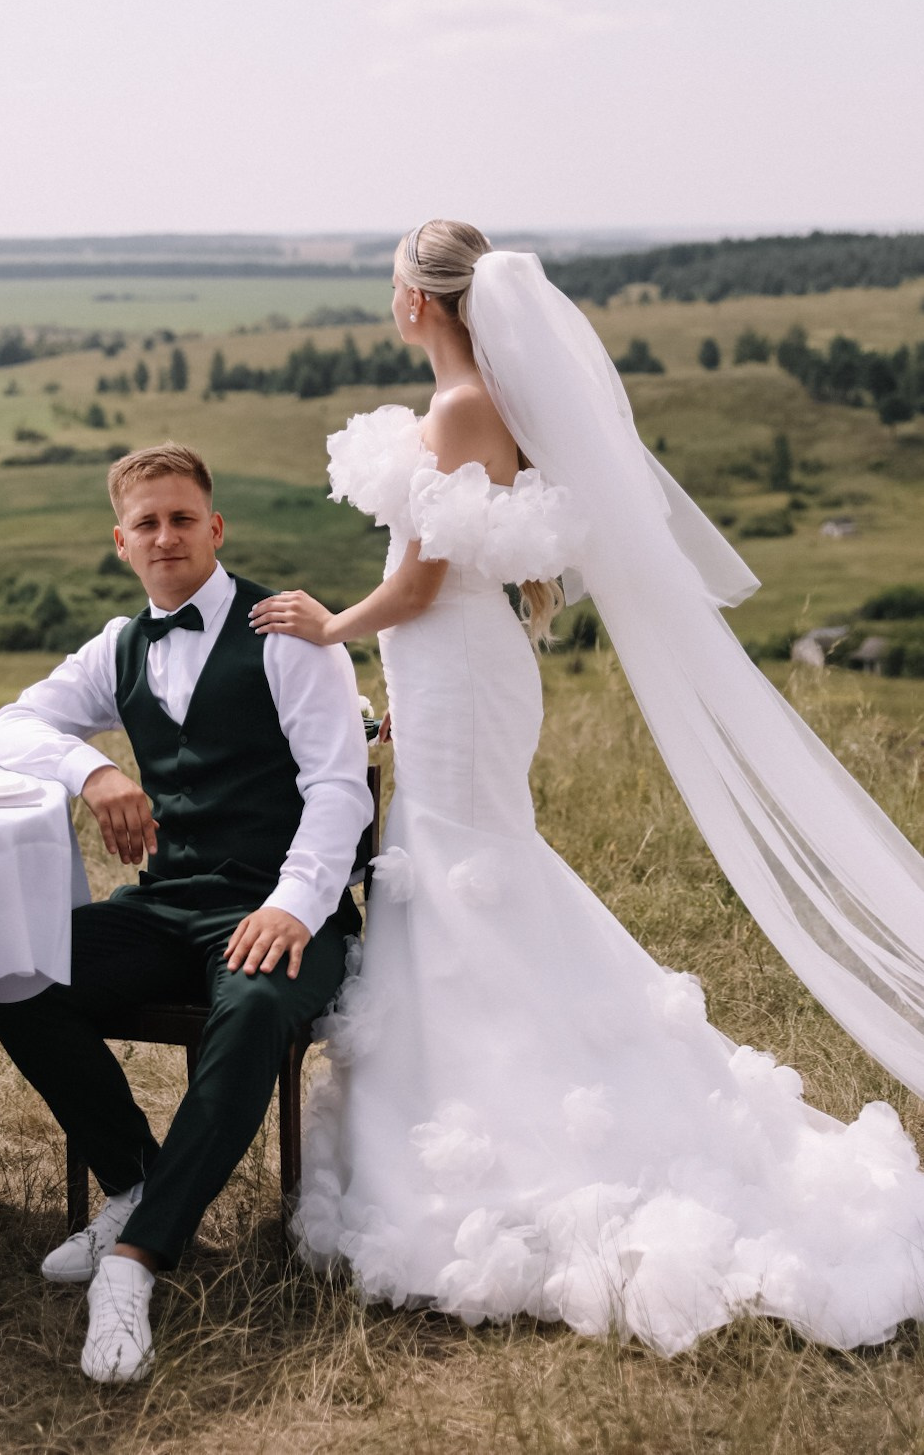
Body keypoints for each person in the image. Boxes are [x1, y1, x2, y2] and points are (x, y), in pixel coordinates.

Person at [249, 219, 924, 1356]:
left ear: (420, 300)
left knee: (473, 879)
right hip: (455, 674)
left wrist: (332, 623)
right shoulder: (484, 404)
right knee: (462, 871)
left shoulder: (462, 410)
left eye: (395, 285)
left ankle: (519, 1128)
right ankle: (469, 1110)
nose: (392, 300)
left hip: (457, 664)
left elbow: (422, 579)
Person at [0, 442, 371, 1383]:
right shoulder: (117, 645)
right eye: (146, 522)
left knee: (250, 1013)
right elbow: (9, 726)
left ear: (215, 527)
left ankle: (135, 1261)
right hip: (168, 903)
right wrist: (96, 768)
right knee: (12, 972)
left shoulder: (286, 630)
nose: (166, 535)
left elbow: (339, 789)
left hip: (281, 904)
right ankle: (139, 1182)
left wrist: (294, 906)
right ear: (122, 542)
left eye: (182, 517)